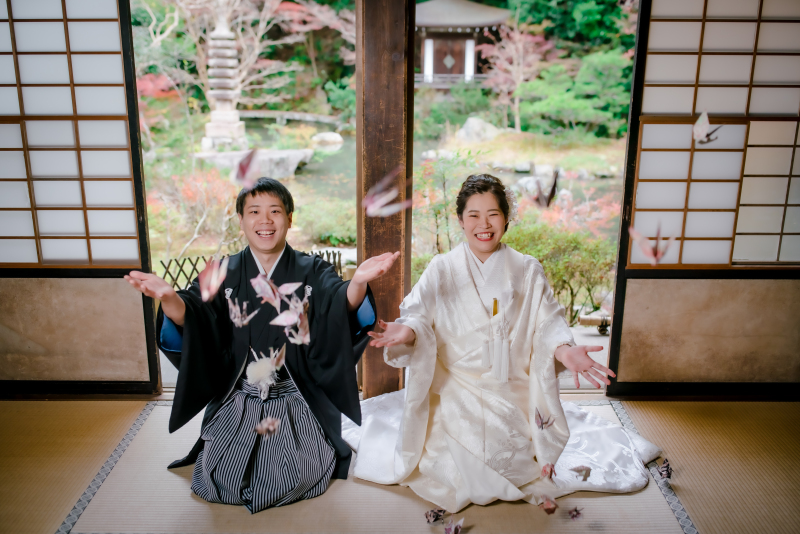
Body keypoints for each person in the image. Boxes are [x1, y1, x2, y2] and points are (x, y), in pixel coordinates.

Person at [350, 174, 660, 513]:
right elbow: (418, 314)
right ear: (460, 220)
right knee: (456, 464)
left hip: (509, 387)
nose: (484, 225)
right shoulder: (441, 268)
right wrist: (408, 332)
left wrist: (564, 350)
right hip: (457, 386)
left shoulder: (527, 269)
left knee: (510, 460)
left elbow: (548, 323)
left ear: (507, 217)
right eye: (474, 215)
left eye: (493, 214)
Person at [125, 177, 399, 513]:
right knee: (216, 479)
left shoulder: (312, 269)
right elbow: (194, 314)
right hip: (239, 397)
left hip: (296, 397)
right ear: (240, 220)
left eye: (275, 211)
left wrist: (357, 282)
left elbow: (340, 305)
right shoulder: (223, 271)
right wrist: (168, 297)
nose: (265, 220)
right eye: (254, 211)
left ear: (289, 218)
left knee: (296, 475)